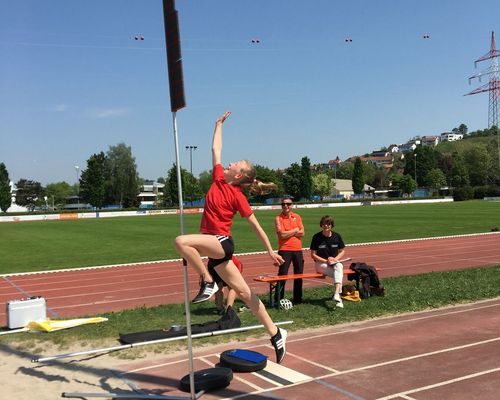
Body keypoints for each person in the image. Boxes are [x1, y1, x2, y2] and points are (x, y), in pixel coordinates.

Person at [174, 111, 287, 363]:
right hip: (217, 253)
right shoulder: (217, 178)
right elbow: (216, 148)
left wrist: (270, 250)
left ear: (238, 175)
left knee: (181, 241)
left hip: (222, 243)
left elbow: (256, 226)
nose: (229, 163)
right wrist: (217, 125)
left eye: (234, 164)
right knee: (245, 294)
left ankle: (207, 280)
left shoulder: (237, 195)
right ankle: (276, 333)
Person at [309, 215, 346, 308]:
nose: (326, 226)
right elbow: (313, 255)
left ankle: (337, 294)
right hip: (320, 264)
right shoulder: (316, 237)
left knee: (339, 267)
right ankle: (338, 297)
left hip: (334, 263)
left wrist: (335, 259)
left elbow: (342, 251)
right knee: (339, 273)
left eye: (328, 224)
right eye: (324, 224)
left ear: (331, 225)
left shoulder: (337, 236)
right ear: (321, 225)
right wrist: (326, 261)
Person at [274, 197, 304, 304]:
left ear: (292, 205)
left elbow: (302, 233)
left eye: (288, 204)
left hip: (298, 249)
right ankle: (278, 299)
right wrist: (295, 230)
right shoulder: (278, 218)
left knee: (299, 274)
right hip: (284, 249)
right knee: (282, 274)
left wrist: (289, 232)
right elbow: (282, 235)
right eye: (283, 204)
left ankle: (298, 299)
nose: (286, 206)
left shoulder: (297, 216)